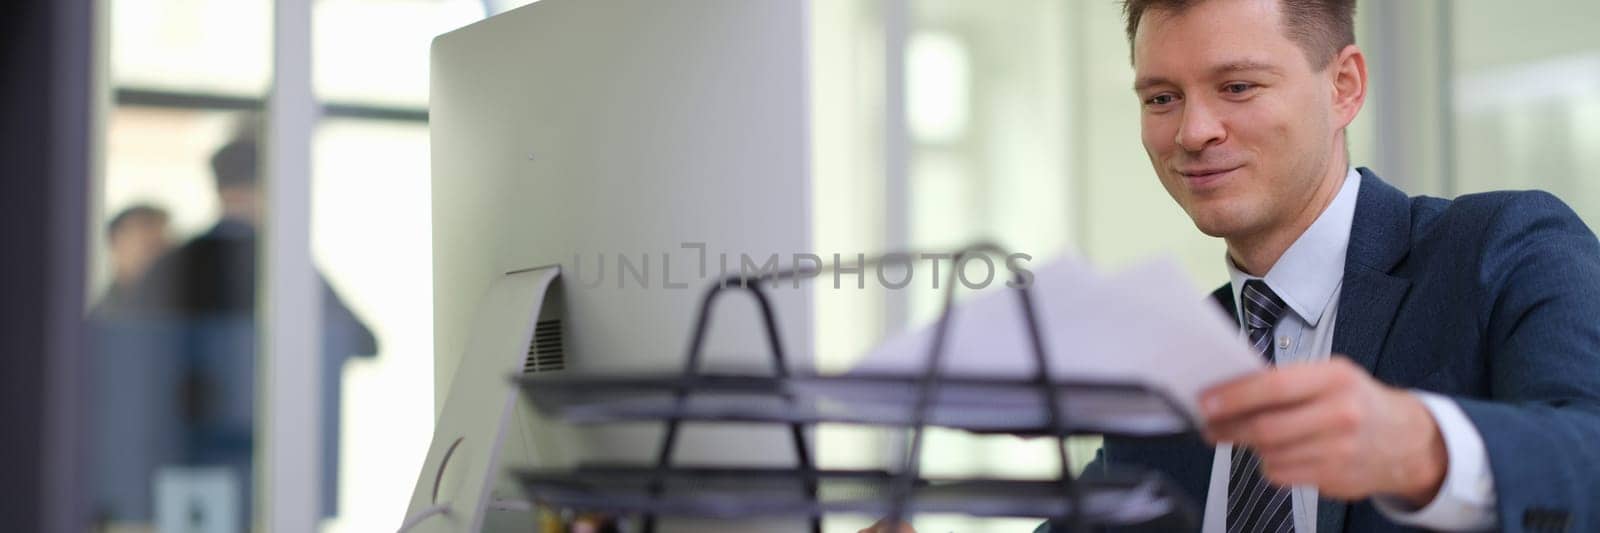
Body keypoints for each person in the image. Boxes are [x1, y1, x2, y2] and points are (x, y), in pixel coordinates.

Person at [870, 0, 1600, 531]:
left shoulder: (1504, 247)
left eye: (1238, 87)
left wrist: (1422, 447)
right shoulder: (1167, 361)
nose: (1192, 131)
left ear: (1344, 85)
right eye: (1162, 98)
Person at [129, 134, 378, 519]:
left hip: (187, 473)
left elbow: (130, 354)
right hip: (273, 469)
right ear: (270, 185)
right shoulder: (286, 264)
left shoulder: (174, 264)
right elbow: (365, 342)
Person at [93, 203, 171, 317]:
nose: (160, 259)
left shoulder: (176, 307)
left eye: (164, 247)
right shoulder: (104, 318)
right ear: (115, 243)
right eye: (149, 247)